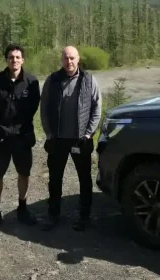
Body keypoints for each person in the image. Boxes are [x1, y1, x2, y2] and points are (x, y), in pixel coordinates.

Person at [39, 45, 102, 231]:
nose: (69, 62)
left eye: (72, 58)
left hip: (80, 139)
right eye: (66, 58)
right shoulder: (52, 80)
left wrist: (89, 133)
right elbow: (44, 108)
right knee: (55, 179)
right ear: (61, 60)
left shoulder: (89, 80)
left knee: (84, 179)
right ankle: (53, 215)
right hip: (57, 139)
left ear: (78, 59)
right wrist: (49, 134)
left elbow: (97, 108)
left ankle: (84, 217)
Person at [0, 43, 40, 228]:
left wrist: (20, 126)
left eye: (17, 57)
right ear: (6, 60)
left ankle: (22, 208)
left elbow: (33, 107)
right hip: (1, 136)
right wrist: (2, 125)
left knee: (24, 173)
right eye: (10, 57)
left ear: (22, 60)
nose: (14, 60)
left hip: (22, 136)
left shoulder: (32, 82)